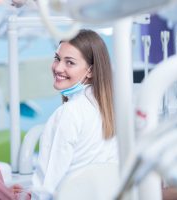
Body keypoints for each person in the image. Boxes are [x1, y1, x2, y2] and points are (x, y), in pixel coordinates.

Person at [32, 29, 118, 196]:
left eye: (69, 62)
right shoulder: (109, 110)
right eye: (57, 59)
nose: (58, 68)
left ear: (91, 71)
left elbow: (47, 185)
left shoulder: (69, 113)